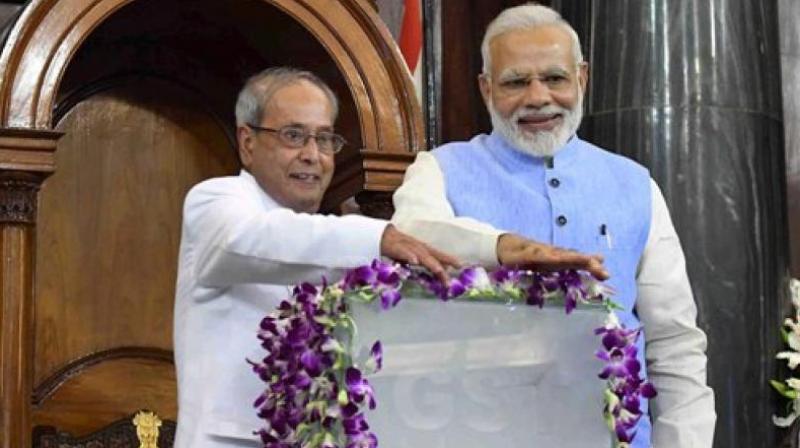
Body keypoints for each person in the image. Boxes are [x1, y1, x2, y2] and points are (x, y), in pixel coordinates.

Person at [173, 66, 606, 447]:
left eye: (325, 138)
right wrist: (381, 238)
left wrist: (509, 264)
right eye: (293, 135)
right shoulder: (217, 202)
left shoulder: (337, 234)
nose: (312, 154)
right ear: (248, 142)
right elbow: (261, 239)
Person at [392, 4, 716, 448]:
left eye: (555, 78)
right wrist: (501, 247)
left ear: (581, 78)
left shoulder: (635, 184)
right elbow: (413, 233)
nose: (538, 97)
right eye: (516, 82)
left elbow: (674, 341)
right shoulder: (440, 169)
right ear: (486, 89)